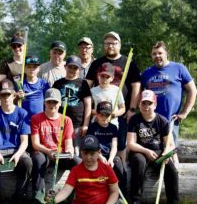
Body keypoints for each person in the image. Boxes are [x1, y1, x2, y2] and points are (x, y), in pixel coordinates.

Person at [49, 135, 119, 204]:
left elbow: (115, 192)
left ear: (99, 152)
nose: (88, 157)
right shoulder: (76, 170)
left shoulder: (107, 169)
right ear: (81, 152)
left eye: (92, 154)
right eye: (85, 153)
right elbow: (66, 190)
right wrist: (54, 200)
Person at [85, 32, 141, 162]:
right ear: (104, 45)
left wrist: (132, 109)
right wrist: (91, 111)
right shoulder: (97, 63)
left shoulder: (128, 62)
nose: (110, 46)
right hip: (98, 116)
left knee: (120, 143)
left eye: (113, 43)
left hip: (119, 112)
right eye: (107, 43)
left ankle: (119, 169)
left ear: (119, 45)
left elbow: (136, 86)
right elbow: (87, 87)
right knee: (98, 142)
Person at [30, 88, 80, 204]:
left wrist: (69, 151)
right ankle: (38, 202)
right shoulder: (36, 118)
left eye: (55, 102)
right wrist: (48, 151)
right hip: (44, 152)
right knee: (38, 160)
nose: (52, 105)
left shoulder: (66, 120)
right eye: (49, 102)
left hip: (60, 154)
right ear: (45, 103)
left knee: (78, 163)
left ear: (60, 104)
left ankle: (75, 200)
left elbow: (69, 141)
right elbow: (35, 144)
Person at [127, 90, 178, 204]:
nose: (146, 106)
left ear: (154, 105)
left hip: (158, 154)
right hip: (139, 151)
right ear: (139, 105)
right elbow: (131, 144)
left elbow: (170, 144)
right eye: (143, 103)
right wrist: (146, 151)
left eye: (149, 103)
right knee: (139, 162)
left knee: (171, 170)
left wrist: (166, 154)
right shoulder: (134, 120)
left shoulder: (162, 120)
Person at [0, 79, 33, 204]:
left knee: (27, 162)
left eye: (8, 94)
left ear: (14, 95)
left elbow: (25, 141)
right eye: (3, 95)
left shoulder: (22, 113)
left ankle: (18, 202)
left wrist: (18, 154)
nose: (6, 97)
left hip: (16, 149)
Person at [141, 41, 197, 146]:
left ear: (166, 53)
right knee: (152, 152)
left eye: (160, 53)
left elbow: (192, 90)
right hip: (150, 121)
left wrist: (185, 112)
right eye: (154, 54)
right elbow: (138, 93)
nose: (157, 56)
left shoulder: (179, 68)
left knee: (170, 152)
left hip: (171, 120)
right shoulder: (146, 73)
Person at [87, 101, 126, 204]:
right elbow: (91, 145)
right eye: (102, 114)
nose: (104, 117)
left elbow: (114, 146)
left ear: (111, 116)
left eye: (107, 115)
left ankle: (120, 200)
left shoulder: (113, 128)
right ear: (97, 114)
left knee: (120, 167)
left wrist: (111, 159)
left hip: (110, 156)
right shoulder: (93, 127)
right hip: (96, 156)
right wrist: (99, 157)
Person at [53, 55, 92, 157]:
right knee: (61, 150)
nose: (72, 70)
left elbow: (88, 104)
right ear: (65, 67)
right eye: (70, 67)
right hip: (60, 124)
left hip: (77, 124)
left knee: (76, 152)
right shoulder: (58, 83)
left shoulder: (83, 83)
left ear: (79, 69)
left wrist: (86, 124)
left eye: (75, 68)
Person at [90, 62, 125, 128]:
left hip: (112, 124)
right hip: (96, 124)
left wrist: (114, 114)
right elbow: (89, 109)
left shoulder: (117, 90)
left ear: (112, 78)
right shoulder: (93, 91)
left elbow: (123, 108)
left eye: (108, 77)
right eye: (102, 76)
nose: (104, 79)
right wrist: (98, 114)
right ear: (98, 76)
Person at [16, 55, 50, 120]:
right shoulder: (20, 84)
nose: (32, 69)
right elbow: (13, 102)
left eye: (34, 67)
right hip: (24, 119)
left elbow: (48, 101)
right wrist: (17, 97)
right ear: (24, 69)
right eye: (28, 67)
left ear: (39, 69)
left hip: (40, 119)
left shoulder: (44, 84)